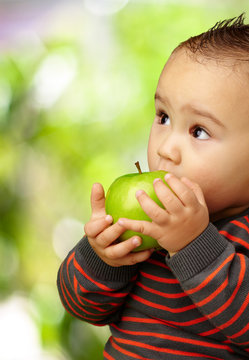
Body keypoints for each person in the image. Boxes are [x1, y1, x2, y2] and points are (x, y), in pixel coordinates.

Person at [57, 14, 249, 359]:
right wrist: (103, 257)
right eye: (163, 117)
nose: (165, 148)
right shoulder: (145, 220)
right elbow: (80, 306)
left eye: (199, 131)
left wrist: (194, 246)